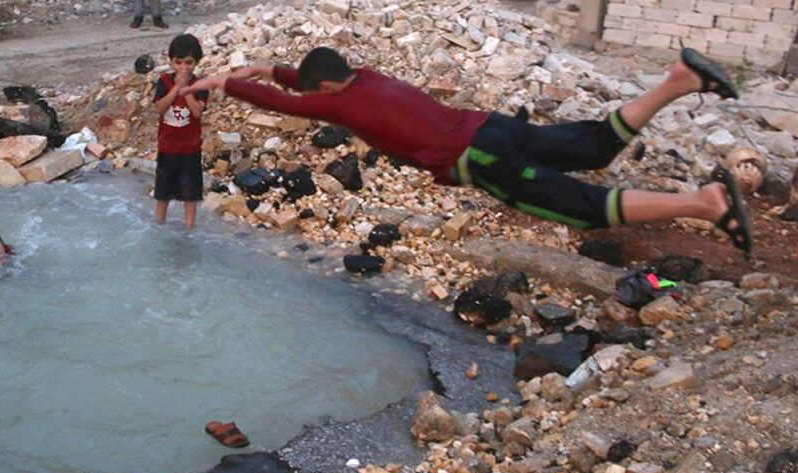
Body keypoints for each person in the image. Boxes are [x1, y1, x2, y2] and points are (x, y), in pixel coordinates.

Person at [182, 46, 752, 255]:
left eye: (313, 89)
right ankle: (679, 80)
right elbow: (306, 85)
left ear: (327, 89)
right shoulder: (367, 78)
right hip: (494, 126)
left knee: (583, 206)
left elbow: (291, 105)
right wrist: (271, 68)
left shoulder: (341, 107)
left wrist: (228, 83)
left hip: (482, 158)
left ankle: (705, 203)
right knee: (594, 143)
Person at [153, 34, 209, 230]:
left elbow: (196, 111)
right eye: (178, 62)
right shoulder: (164, 81)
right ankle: (159, 225)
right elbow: (160, 108)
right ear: (171, 62)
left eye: (189, 62)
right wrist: (176, 87)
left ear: (196, 62)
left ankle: (190, 228)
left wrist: (185, 88)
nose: (183, 68)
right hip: (167, 147)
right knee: (162, 193)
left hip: (190, 149)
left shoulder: (200, 85)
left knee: (190, 194)